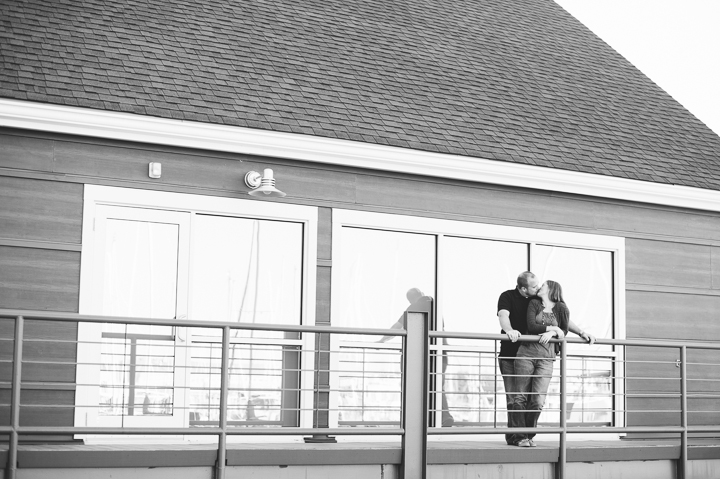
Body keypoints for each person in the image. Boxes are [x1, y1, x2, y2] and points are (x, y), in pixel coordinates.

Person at [497, 272, 594, 446]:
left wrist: (580, 332)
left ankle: (519, 436)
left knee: (530, 399)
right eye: (534, 286)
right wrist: (509, 330)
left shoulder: (535, 300)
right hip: (510, 353)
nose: (538, 287)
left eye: (539, 285)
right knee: (514, 399)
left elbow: (563, 321)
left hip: (536, 354)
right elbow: (503, 316)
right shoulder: (508, 296)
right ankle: (517, 436)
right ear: (523, 288)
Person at [379, 288, 454, 426]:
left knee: (419, 384)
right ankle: (441, 417)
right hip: (441, 350)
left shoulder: (415, 306)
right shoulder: (435, 305)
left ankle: (430, 418)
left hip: (426, 352)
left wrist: (382, 340)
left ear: (411, 299)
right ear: (421, 293)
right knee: (437, 384)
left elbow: (397, 327)